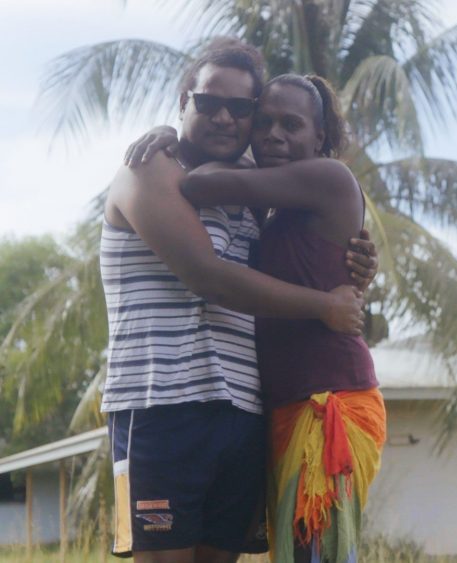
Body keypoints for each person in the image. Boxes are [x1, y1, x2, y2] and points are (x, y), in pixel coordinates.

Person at [101, 40, 377, 563]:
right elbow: (209, 276)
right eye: (208, 103)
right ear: (184, 101)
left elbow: (307, 248)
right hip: (160, 410)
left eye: (241, 109)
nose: (225, 117)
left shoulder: (253, 199)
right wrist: (324, 304)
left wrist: (361, 260)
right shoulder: (150, 169)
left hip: (244, 414)